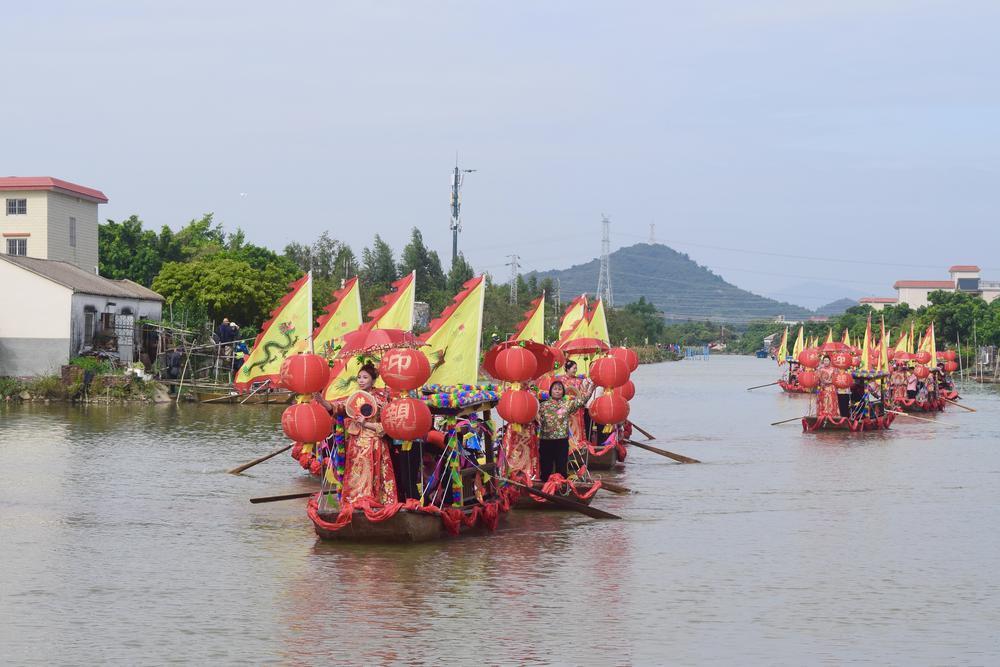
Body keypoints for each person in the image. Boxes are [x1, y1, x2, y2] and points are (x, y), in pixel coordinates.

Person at [314, 364, 397, 504]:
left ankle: (375, 501)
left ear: (373, 380)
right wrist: (322, 401)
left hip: (374, 443)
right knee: (355, 474)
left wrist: (366, 424)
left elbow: (387, 426)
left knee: (374, 475)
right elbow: (338, 409)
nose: (361, 380)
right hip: (356, 443)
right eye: (359, 377)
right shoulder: (354, 397)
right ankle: (354, 501)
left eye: (365, 377)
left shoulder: (382, 398)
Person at [537, 379, 594, 481]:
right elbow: (532, 413)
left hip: (561, 441)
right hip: (546, 440)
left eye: (560, 389)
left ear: (563, 392)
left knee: (561, 468)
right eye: (555, 389)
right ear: (550, 391)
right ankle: (545, 487)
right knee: (545, 469)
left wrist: (591, 388)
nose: (557, 391)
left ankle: (561, 487)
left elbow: (582, 400)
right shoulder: (543, 406)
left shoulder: (567, 404)